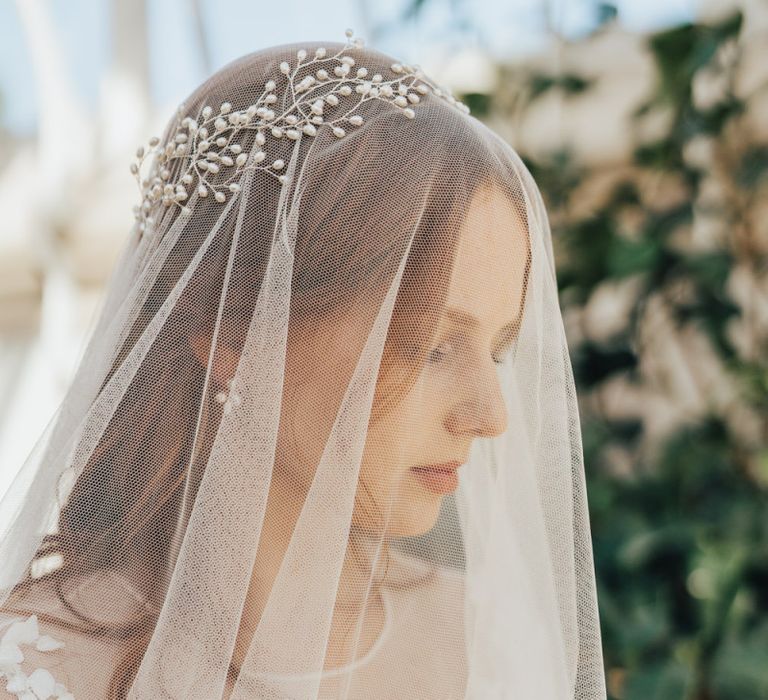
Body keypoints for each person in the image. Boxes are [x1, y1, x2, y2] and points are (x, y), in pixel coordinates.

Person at [0, 28, 607, 699]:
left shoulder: (486, 642)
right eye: (430, 346)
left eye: (497, 350)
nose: (490, 416)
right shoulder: (36, 664)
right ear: (233, 337)